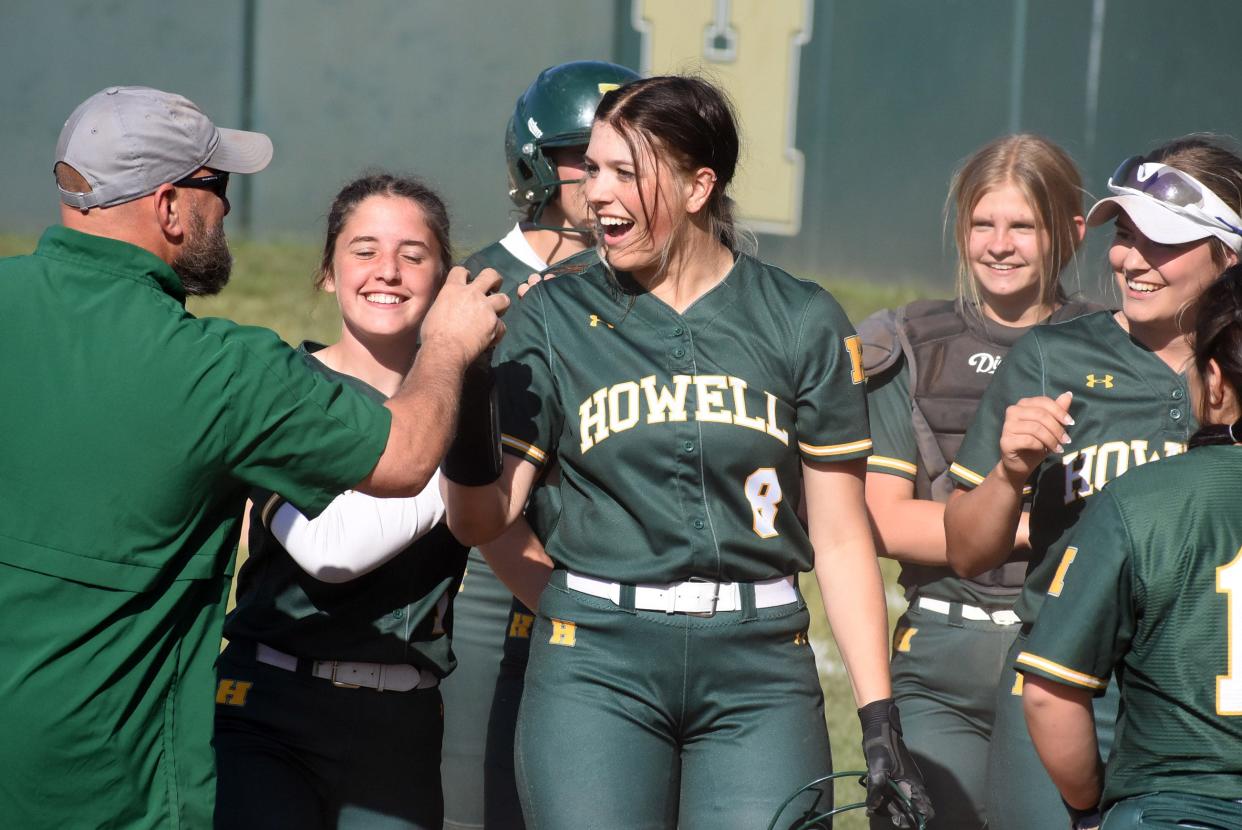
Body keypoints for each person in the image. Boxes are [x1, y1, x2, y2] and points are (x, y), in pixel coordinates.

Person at [0, 86, 506, 828]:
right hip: (117, 779)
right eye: (218, 188)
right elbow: (404, 457)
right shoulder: (223, 370)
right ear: (170, 206)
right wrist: (452, 347)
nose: (227, 212)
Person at [444, 75, 932, 830]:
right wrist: (462, 397)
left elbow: (840, 537)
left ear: (699, 185)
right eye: (592, 169)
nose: (596, 193)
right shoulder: (551, 314)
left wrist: (879, 720)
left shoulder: (800, 318)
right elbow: (483, 520)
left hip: (761, 664)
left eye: (625, 173)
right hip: (597, 663)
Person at [944, 136, 1242, 830]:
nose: (1130, 259)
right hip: (1060, 680)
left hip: (1195, 701)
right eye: (1125, 235)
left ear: (1228, 253)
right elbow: (965, 550)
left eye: (1161, 242)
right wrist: (1010, 471)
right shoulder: (1053, 357)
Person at [213, 174, 469, 829]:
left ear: (444, 279)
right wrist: (462, 449)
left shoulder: (473, 395)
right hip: (270, 709)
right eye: (363, 250)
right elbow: (331, 552)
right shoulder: (283, 387)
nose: (388, 270)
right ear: (327, 271)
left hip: (404, 723)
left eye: (414, 254)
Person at [859, 134, 1093, 830]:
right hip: (939, 664)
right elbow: (885, 521)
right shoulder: (906, 343)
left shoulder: (1114, 346)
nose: (999, 244)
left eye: (1023, 225)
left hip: (1064, 655)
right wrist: (1024, 528)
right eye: (982, 223)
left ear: (1071, 234)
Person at [439, 59, 639, 830]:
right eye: (579, 155)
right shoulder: (473, 282)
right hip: (493, 580)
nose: (600, 176)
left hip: (613, 569)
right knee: (475, 805)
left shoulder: (649, 283)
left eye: (623, 156)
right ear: (533, 161)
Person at [1020, 262, 1242, 829]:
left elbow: (1048, 694)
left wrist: (1087, 806)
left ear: (1215, 383)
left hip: (1172, 809)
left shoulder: (1135, 501)